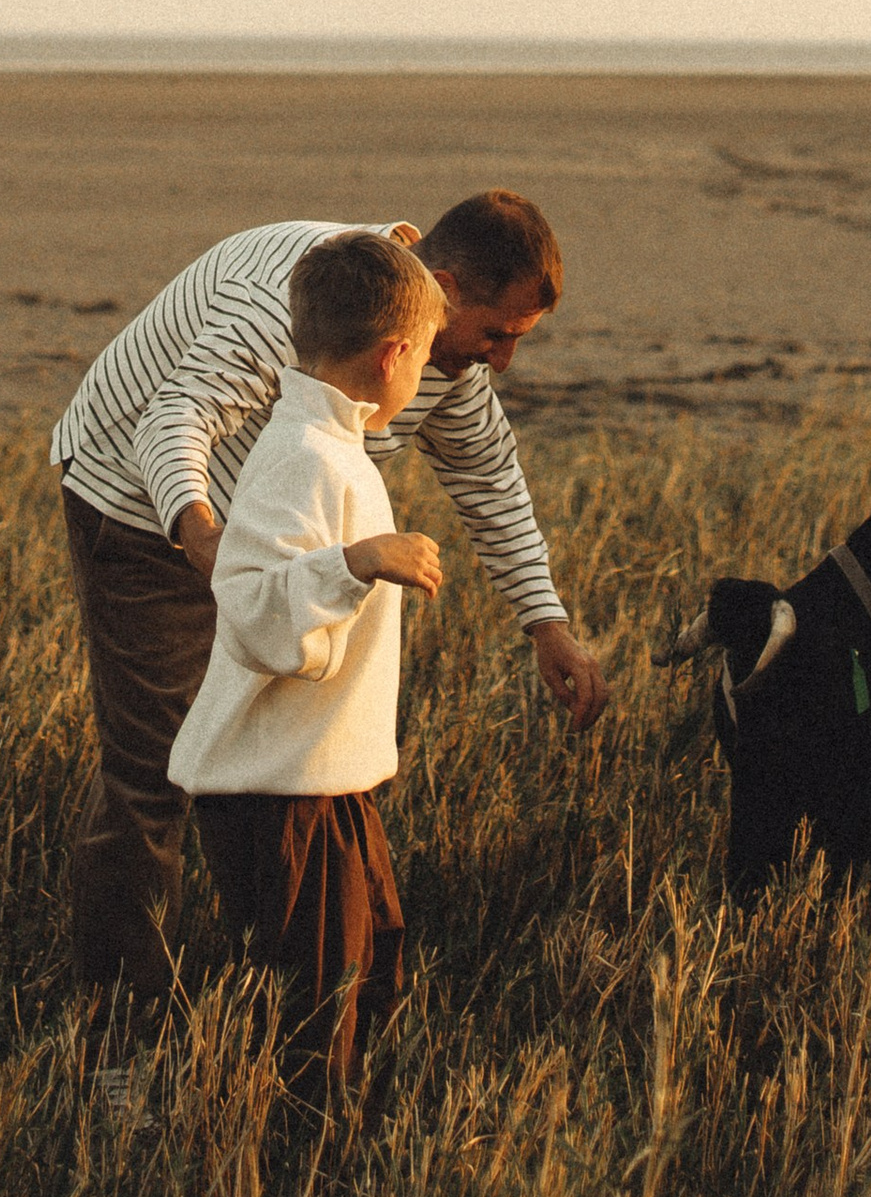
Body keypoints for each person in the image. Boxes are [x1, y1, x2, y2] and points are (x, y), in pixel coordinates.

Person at [51, 189, 605, 1006]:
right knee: (155, 767)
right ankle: (114, 1021)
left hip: (268, 525)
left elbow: (490, 479)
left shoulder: (438, 351)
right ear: (444, 289)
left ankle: (256, 966)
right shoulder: (295, 297)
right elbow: (172, 419)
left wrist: (546, 624)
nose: (503, 361)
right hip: (141, 502)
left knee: (263, 749)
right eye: (498, 334)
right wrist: (214, 553)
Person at [168, 230, 445, 1098]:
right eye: (427, 355)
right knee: (312, 1019)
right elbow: (249, 608)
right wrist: (355, 562)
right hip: (279, 797)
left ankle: (335, 1157)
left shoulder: (332, 446)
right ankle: (291, 1186)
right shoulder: (303, 458)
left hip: (325, 780)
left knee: (371, 974)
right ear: (395, 355)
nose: (425, 374)